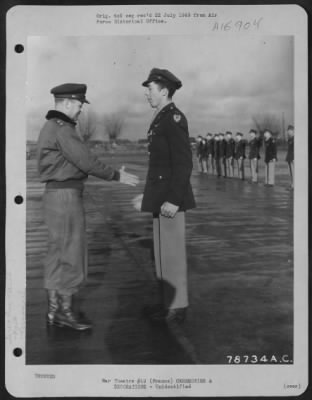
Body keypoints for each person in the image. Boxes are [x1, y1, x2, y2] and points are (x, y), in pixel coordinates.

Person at [37, 83, 139, 331]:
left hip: (53, 196)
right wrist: (116, 175)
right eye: (80, 105)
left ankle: (53, 310)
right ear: (68, 103)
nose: (81, 110)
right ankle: (65, 311)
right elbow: (86, 161)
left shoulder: (50, 126)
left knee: (56, 252)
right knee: (72, 253)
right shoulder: (64, 130)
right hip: (66, 198)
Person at [135, 68, 196, 324]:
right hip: (160, 197)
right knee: (161, 254)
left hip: (171, 199)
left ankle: (177, 306)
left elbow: (183, 164)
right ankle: (166, 302)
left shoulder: (173, 119)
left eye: (150, 89)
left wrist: (172, 198)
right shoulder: (160, 118)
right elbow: (159, 166)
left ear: (163, 90)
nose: (147, 94)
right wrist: (148, 197)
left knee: (171, 255)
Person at [286, 125, 294, 189]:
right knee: (290, 172)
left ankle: (294, 185)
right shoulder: (289, 139)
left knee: (294, 172)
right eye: (288, 131)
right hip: (289, 158)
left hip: (293, 158)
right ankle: (292, 184)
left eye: (290, 131)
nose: (289, 132)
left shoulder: (295, 138)